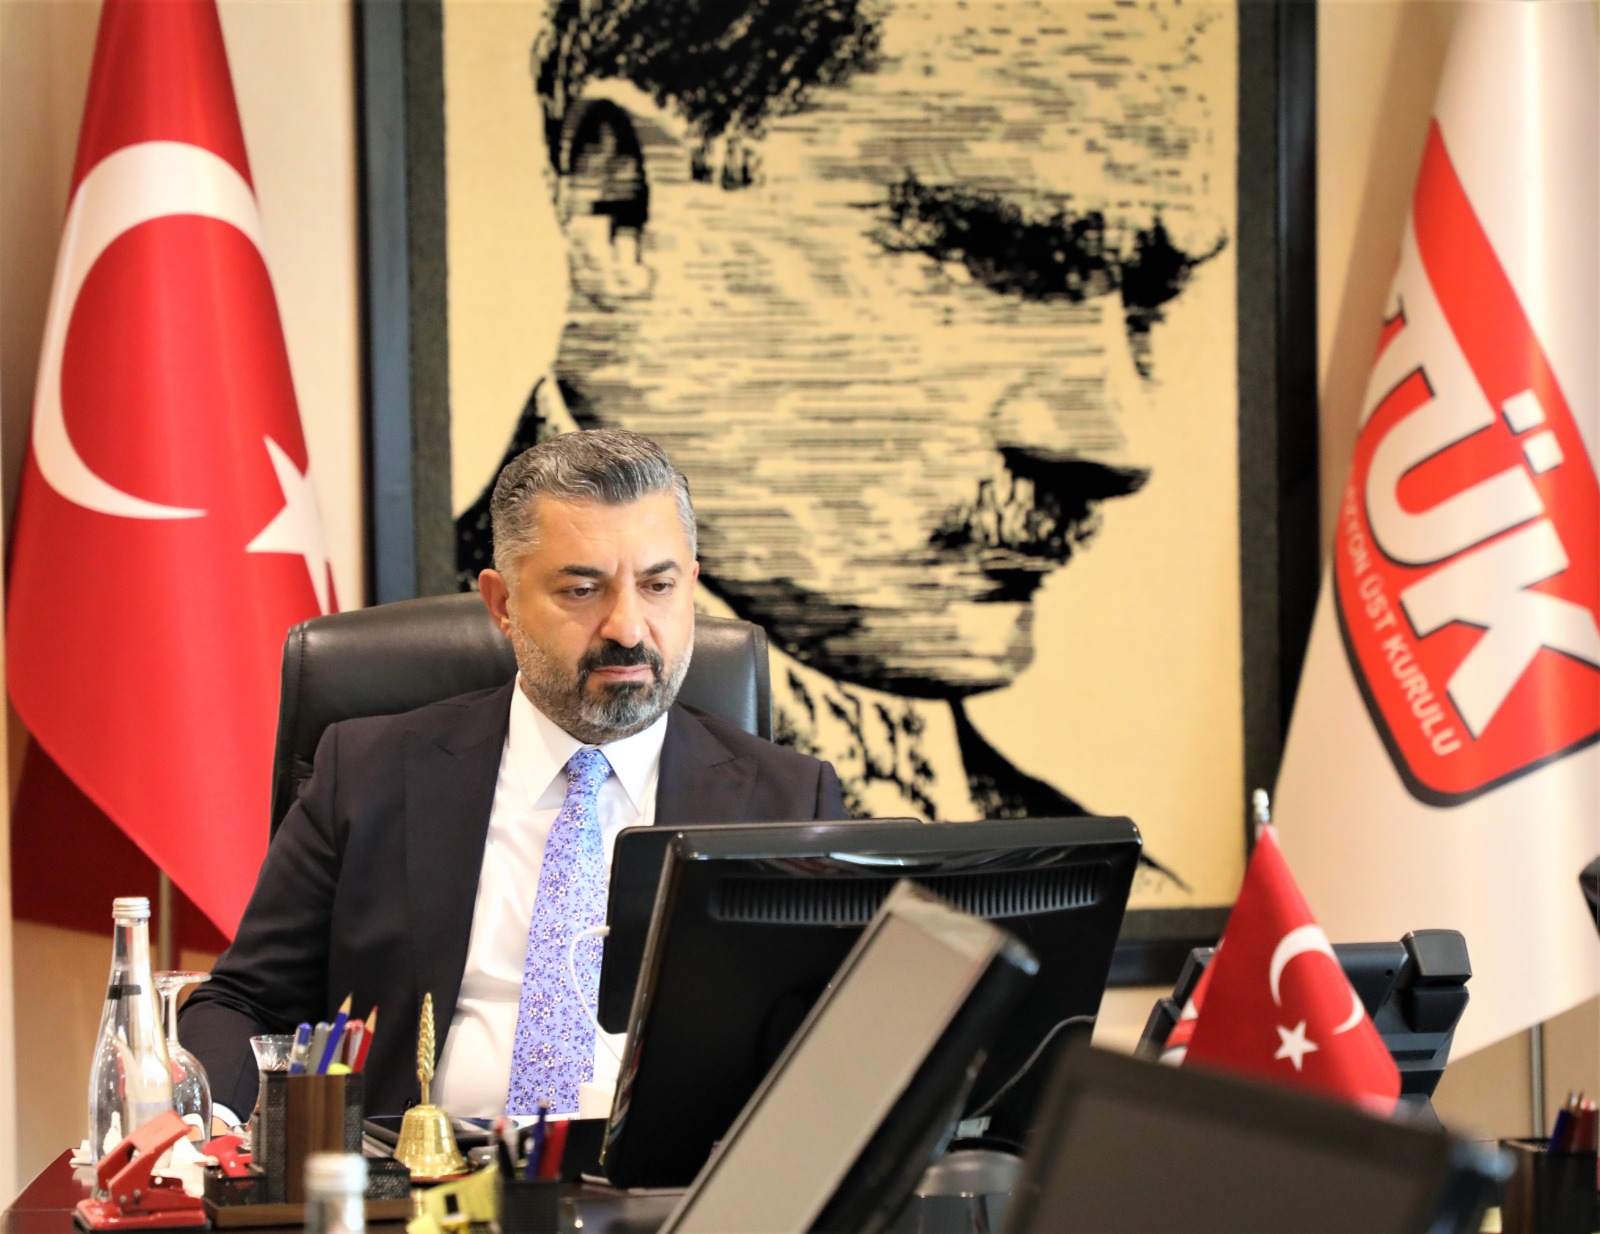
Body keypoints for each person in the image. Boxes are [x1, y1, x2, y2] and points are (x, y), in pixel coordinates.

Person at [454, 0, 1231, 884]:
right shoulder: (381, 770)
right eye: (993, 255)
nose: (1113, 444)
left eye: (1151, 296)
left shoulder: (1089, 873)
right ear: (620, 200)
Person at [182, 429, 847, 1119]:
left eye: (658, 586)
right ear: (502, 604)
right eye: (583, 590)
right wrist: (209, 1131)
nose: (628, 628)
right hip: (417, 1173)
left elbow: (837, 1036)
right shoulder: (370, 771)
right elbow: (246, 1002)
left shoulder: (787, 800)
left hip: (678, 1180)